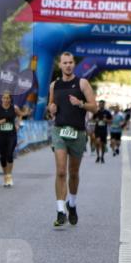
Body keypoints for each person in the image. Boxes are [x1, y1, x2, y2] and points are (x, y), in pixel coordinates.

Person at [47, 52, 96, 226]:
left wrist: (81, 104)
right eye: (65, 63)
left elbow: (95, 107)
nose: (68, 65)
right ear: (60, 65)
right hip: (60, 131)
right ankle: (60, 210)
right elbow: (51, 106)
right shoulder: (55, 85)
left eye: (70, 62)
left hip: (78, 133)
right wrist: (51, 109)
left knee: (73, 174)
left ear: (74, 64)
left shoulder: (82, 83)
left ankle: (72, 204)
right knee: (61, 171)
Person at [0, 90, 26, 187]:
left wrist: (17, 124)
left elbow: (21, 114)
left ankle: (9, 176)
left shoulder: (14, 108)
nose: (6, 100)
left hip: (11, 135)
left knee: (9, 154)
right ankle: (5, 175)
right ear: (1, 99)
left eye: (7, 98)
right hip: (1, 135)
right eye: (4, 98)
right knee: (3, 157)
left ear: (10, 99)